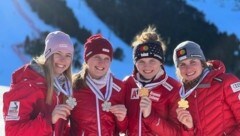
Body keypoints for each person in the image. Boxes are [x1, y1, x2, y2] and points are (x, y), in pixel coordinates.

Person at [3, 31, 75, 136]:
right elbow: (12, 132)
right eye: (58, 53)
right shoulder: (27, 85)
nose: (63, 60)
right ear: (48, 55)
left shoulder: (63, 87)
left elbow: (59, 130)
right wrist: (49, 120)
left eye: (68, 55)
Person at [123, 26, 183, 135]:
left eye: (152, 61)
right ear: (135, 63)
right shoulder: (127, 83)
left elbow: (176, 133)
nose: (147, 66)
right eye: (141, 61)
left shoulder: (174, 89)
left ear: (161, 61)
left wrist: (150, 116)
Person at [173, 41, 240, 135]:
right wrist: (189, 128)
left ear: (202, 63)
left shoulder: (225, 83)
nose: (188, 69)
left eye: (193, 62)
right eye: (182, 64)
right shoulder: (183, 96)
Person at [70, 34, 128, 135]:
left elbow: (124, 129)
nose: (102, 63)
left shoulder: (119, 88)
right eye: (97, 57)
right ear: (87, 59)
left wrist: (122, 119)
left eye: (106, 59)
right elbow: (63, 125)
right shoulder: (73, 87)